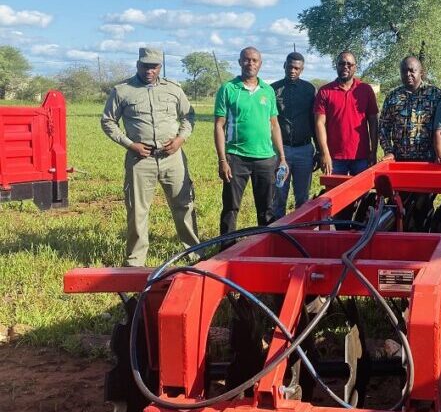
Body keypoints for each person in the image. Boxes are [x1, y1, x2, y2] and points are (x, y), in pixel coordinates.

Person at [101, 47, 199, 266]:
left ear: (159, 67)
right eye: (145, 66)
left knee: (184, 204)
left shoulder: (173, 89)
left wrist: (180, 139)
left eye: (154, 66)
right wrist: (130, 144)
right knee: (137, 210)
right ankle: (135, 260)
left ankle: (194, 253)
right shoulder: (122, 91)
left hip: (172, 157)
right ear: (138, 65)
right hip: (140, 159)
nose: (149, 70)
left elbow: (189, 116)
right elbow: (108, 121)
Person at [214, 47, 287, 235]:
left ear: (260, 64)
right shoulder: (228, 89)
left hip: (265, 158)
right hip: (237, 158)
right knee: (231, 208)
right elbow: (219, 126)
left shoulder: (268, 91)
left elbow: (274, 125)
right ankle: (226, 248)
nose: (250, 63)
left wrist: (282, 157)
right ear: (240, 62)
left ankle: (265, 247)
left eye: (255, 60)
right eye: (246, 60)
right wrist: (223, 160)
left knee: (267, 209)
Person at [314, 51, 379, 175]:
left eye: (349, 64)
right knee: (334, 194)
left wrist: (373, 151)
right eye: (342, 63)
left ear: (355, 67)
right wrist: (325, 154)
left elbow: (373, 122)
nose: (345, 67)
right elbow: (319, 123)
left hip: (361, 156)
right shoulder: (325, 91)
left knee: (361, 194)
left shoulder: (365, 89)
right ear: (336, 66)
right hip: (334, 157)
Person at [271, 52, 316, 217]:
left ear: (301, 69)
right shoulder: (273, 89)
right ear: (284, 65)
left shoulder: (309, 90)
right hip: (280, 151)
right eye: (290, 66)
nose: (292, 70)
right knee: (279, 195)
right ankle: (277, 234)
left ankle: (300, 232)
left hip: (304, 149)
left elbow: (314, 121)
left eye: (297, 68)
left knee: (303, 197)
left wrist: (318, 150)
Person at [379, 55, 441, 161]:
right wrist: (388, 151)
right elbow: (383, 127)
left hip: (430, 160)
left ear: (421, 72)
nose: (408, 74)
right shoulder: (392, 96)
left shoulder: (435, 94)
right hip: (399, 159)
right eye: (404, 71)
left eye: (412, 70)